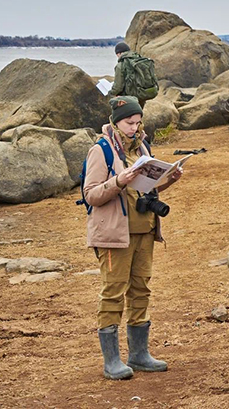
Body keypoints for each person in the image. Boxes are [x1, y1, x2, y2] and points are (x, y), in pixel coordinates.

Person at [83, 96, 182, 380]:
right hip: (115, 236)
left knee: (141, 290)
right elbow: (91, 195)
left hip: (145, 231)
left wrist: (170, 179)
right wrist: (119, 180)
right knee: (113, 293)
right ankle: (111, 360)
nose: (134, 128)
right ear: (116, 121)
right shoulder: (100, 151)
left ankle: (139, 355)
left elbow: (147, 190)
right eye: (129, 122)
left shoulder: (142, 146)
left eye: (138, 122)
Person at [111, 42, 158, 108]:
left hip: (130, 98)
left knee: (127, 117)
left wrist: (110, 93)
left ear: (119, 53)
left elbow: (118, 87)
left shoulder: (121, 65)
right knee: (138, 115)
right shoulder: (138, 59)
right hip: (142, 94)